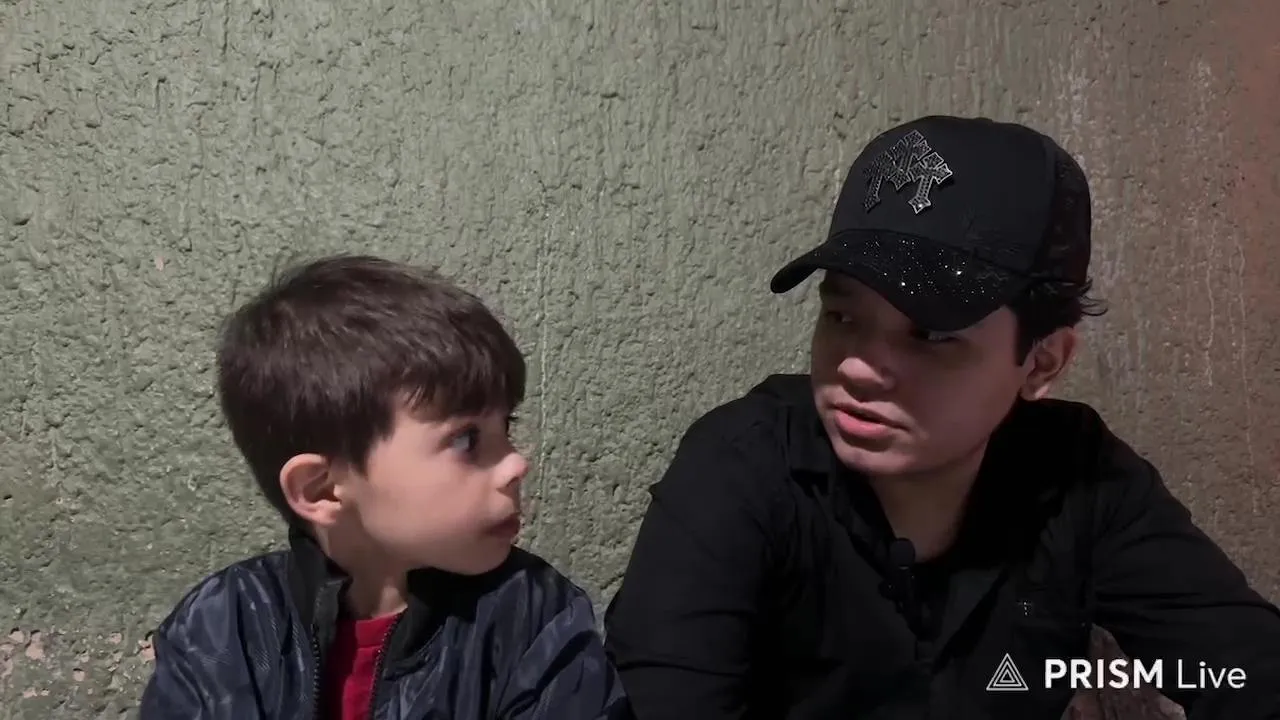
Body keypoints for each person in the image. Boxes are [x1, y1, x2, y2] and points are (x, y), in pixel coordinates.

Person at [603, 115, 1280, 719]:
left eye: (929, 333)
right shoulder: (743, 468)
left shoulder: (1080, 476)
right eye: (842, 317)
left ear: (1042, 362)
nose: (859, 367)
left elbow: (1247, 670)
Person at [139, 255, 630, 720]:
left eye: (507, 426)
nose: (517, 464)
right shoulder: (221, 630)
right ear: (321, 490)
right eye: (466, 439)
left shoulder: (535, 617)